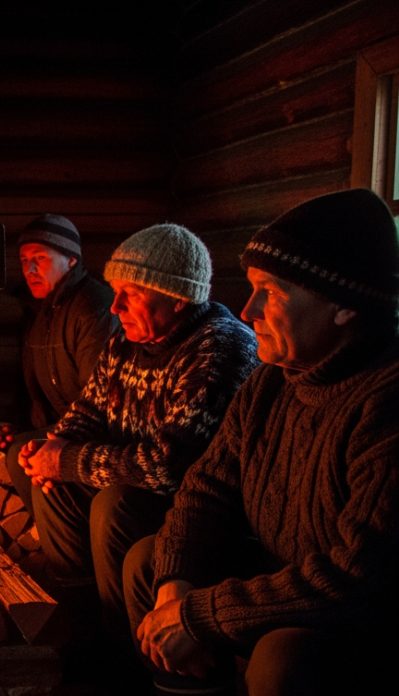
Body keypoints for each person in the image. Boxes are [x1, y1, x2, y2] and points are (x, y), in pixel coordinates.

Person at [128, 189, 399, 696]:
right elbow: (205, 490)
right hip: (284, 576)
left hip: (362, 620)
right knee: (151, 561)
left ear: (343, 307)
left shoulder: (385, 402)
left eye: (269, 292)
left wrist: (202, 615)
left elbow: (359, 578)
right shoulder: (272, 380)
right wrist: (177, 587)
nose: (247, 309)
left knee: (284, 656)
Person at [10, 223, 259, 637]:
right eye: (116, 290)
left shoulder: (219, 349)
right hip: (133, 473)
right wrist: (54, 446)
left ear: (179, 298)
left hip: (195, 506)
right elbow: (89, 408)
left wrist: (67, 459)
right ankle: (79, 613)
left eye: (133, 294)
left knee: (115, 503)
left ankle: (118, 633)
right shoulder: (129, 339)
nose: (115, 306)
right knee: (46, 477)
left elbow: (168, 467)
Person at [0, 214, 118, 515]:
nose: (30, 269)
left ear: (71, 260)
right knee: (20, 447)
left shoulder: (92, 308)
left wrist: (57, 437)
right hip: (60, 426)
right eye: (24, 260)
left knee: (23, 454)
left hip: (95, 431)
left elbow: (97, 399)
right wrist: (19, 425)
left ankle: (62, 545)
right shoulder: (41, 311)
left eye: (40, 258)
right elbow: (30, 385)